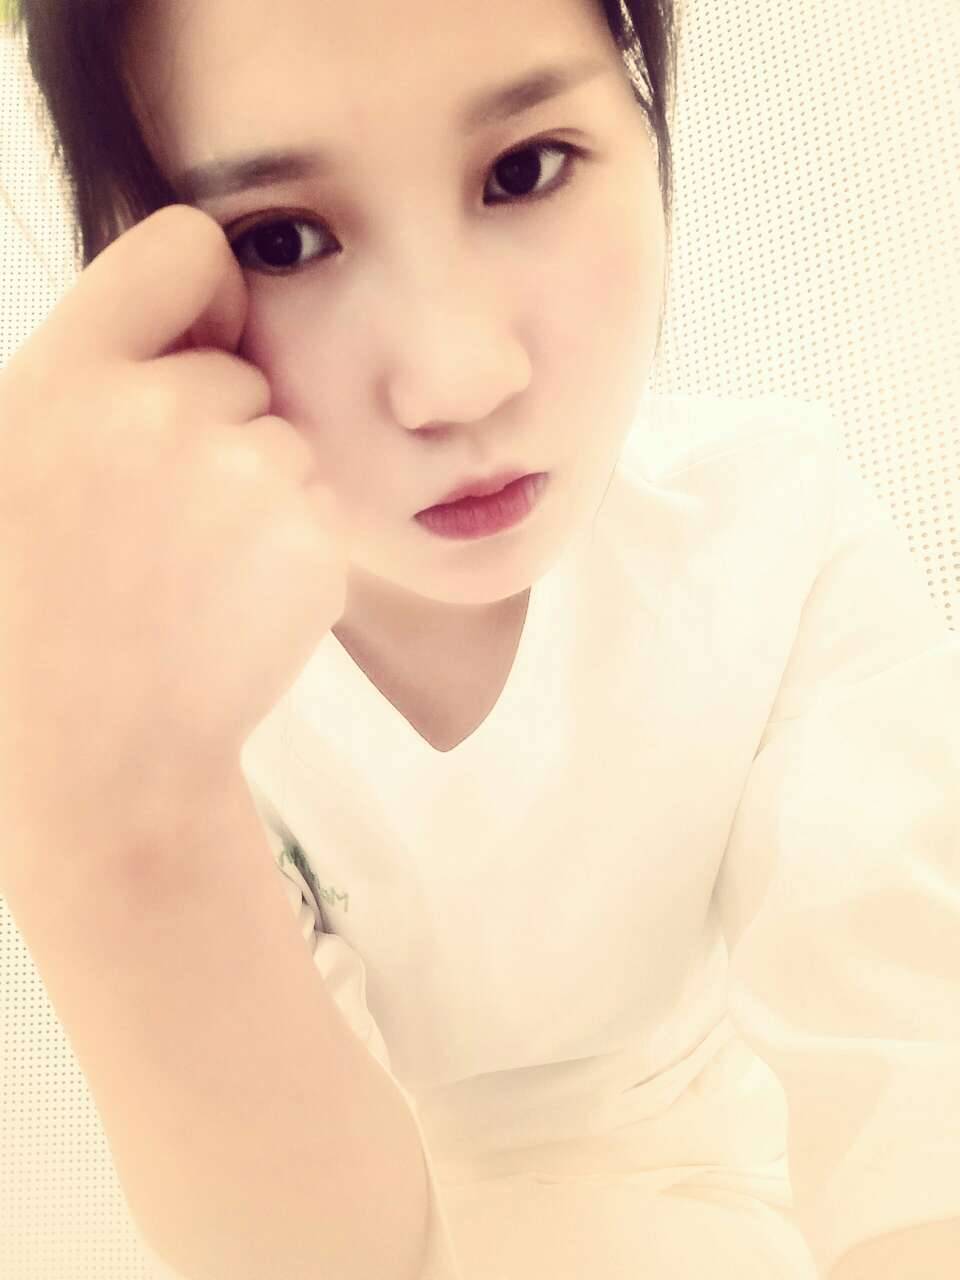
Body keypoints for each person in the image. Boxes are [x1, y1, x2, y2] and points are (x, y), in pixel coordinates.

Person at [5, 1, 960, 1277]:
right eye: (280, 240)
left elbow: (913, 1087)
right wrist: (113, 819)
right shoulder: (159, 662)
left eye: (525, 168)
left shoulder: (772, 529)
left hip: (716, 1192)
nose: (458, 378)